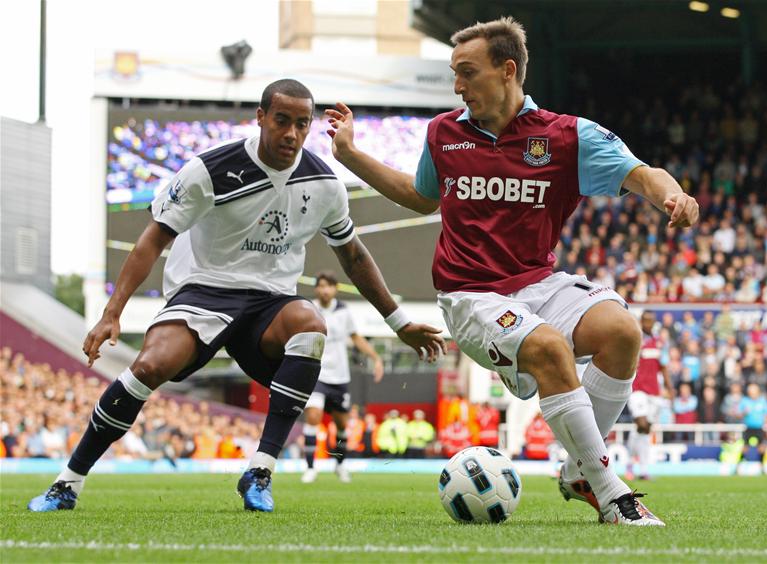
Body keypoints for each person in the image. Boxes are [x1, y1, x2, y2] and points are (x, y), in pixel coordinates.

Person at [326, 17, 699, 525]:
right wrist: (349, 154)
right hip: (469, 294)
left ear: (507, 71)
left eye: (467, 72)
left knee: (622, 332)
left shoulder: (567, 137)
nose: (458, 85)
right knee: (547, 347)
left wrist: (672, 194)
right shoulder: (443, 134)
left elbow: (640, 174)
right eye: (454, 74)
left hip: (539, 285)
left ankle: (578, 471)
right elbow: (419, 196)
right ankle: (613, 494)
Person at [28, 79, 444, 513]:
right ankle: (67, 484)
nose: (291, 134)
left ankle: (260, 472)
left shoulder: (324, 183)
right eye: (282, 121)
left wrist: (399, 323)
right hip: (204, 291)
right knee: (149, 365)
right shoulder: (209, 170)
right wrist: (113, 313)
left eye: (302, 124)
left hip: (270, 301)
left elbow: (354, 256)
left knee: (310, 326)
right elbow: (151, 241)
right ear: (261, 118)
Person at [301, 270, 384, 483]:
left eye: (328, 285)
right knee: (313, 417)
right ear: (316, 289)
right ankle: (310, 467)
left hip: (339, 376)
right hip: (315, 373)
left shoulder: (344, 311)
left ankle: (339, 465)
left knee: (341, 426)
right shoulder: (309, 308)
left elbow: (355, 337)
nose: (324, 290)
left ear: (335, 288)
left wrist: (375, 357)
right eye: (320, 285)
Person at [625, 311, 675, 481]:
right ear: (641, 321)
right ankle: (635, 464)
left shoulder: (659, 343)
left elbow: (664, 367)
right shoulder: (635, 340)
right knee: (642, 423)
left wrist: (670, 388)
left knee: (643, 430)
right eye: (645, 320)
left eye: (651, 321)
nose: (648, 323)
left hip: (654, 392)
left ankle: (639, 467)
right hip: (637, 389)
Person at [739, 382, 767, 472]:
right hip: (748, 427)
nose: (752, 393)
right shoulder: (744, 401)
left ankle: (762, 467)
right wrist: (743, 413)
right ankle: (739, 466)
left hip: (759, 428)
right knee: (745, 447)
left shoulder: (763, 401)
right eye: (750, 391)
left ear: (758, 392)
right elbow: (738, 414)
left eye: (753, 391)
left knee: (761, 447)